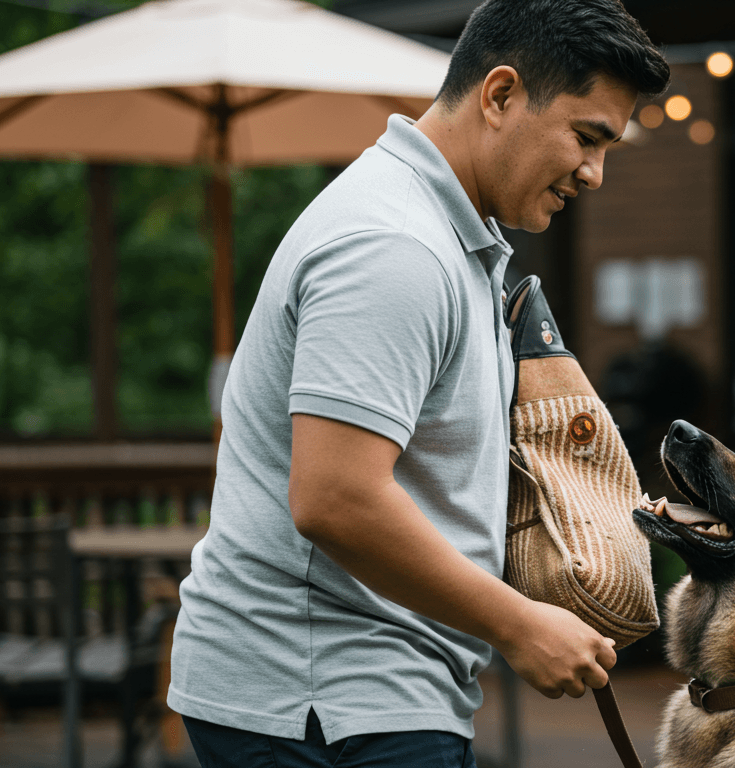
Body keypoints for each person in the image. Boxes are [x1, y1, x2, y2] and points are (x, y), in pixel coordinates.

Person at [166, 2, 670, 765]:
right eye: (587, 136)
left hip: (357, 692)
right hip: (324, 699)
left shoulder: (441, 232)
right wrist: (519, 625)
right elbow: (335, 497)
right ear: (500, 95)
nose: (595, 173)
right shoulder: (395, 247)